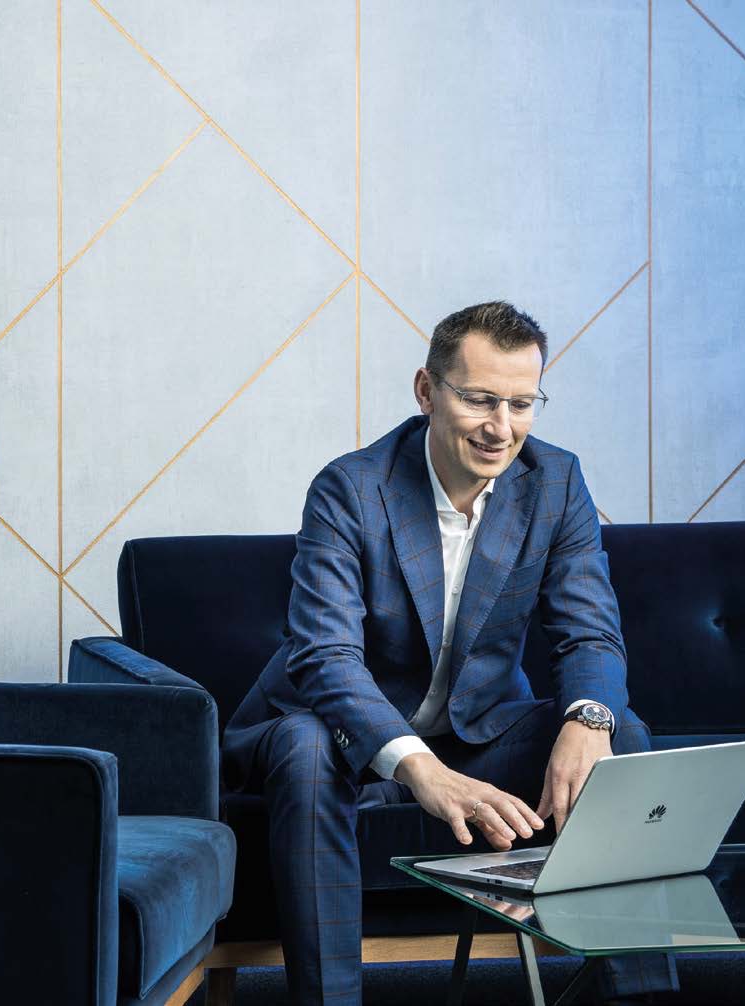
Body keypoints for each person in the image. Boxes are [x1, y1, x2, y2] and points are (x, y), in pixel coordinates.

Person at [222, 302, 675, 1004]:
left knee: (620, 735)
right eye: (479, 399)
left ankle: (640, 995)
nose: (501, 427)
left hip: (476, 734)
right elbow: (325, 657)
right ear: (426, 391)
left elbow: (587, 632)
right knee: (306, 745)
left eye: (521, 403)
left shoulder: (555, 482)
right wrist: (422, 770)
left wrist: (587, 720)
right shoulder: (351, 488)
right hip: (337, 739)